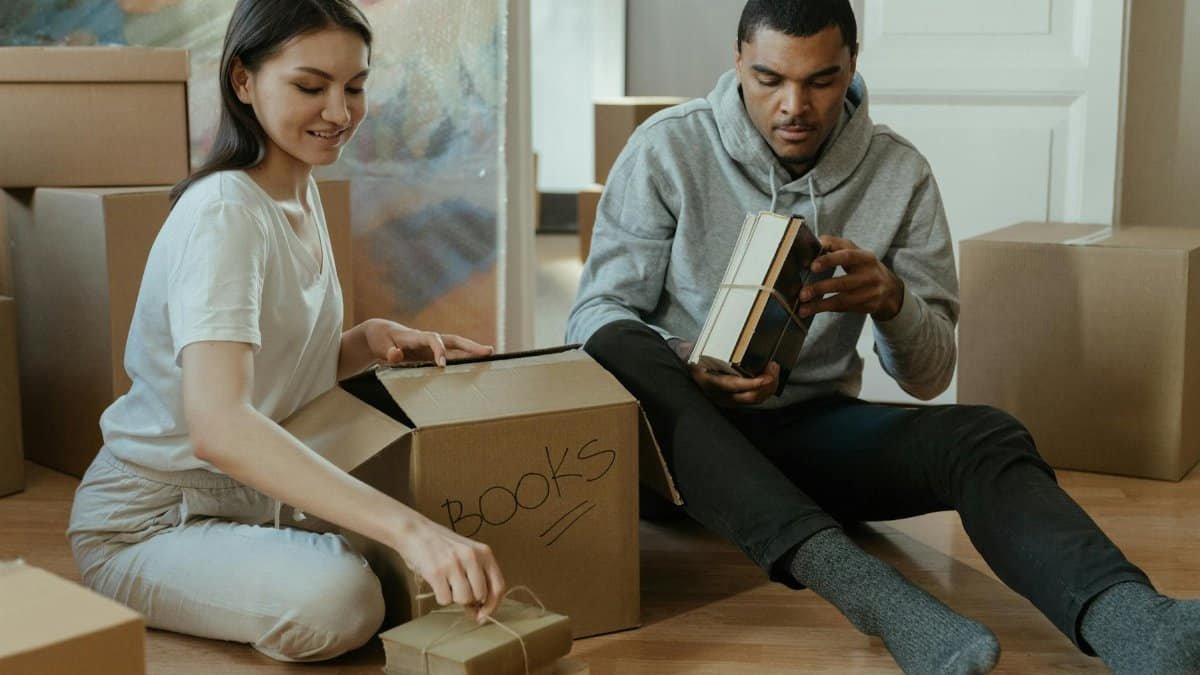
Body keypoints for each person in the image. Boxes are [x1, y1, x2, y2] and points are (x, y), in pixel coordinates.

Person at [567, 1, 1200, 673]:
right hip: (679, 452)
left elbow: (929, 376)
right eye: (769, 79)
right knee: (614, 342)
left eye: (820, 80)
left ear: (853, 66)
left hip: (810, 434)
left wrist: (893, 302)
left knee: (987, 435)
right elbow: (594, 314)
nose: (794, 106)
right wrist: (689, 361)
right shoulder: (668, 148)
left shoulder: (901, 173)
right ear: (736, 60)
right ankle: (871, 593)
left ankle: (1139, 621)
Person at [67, 0, 506, 662]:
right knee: (346, 599)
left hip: (247, 493)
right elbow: (219, 425)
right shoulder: (224, 215)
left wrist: (365, 341)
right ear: (243, 81)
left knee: (453, 522)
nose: (340, 112)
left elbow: (267, 367)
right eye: (310, 86)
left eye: (354, 87)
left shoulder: (297, 191)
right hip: (150, 518)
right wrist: (410, 532)